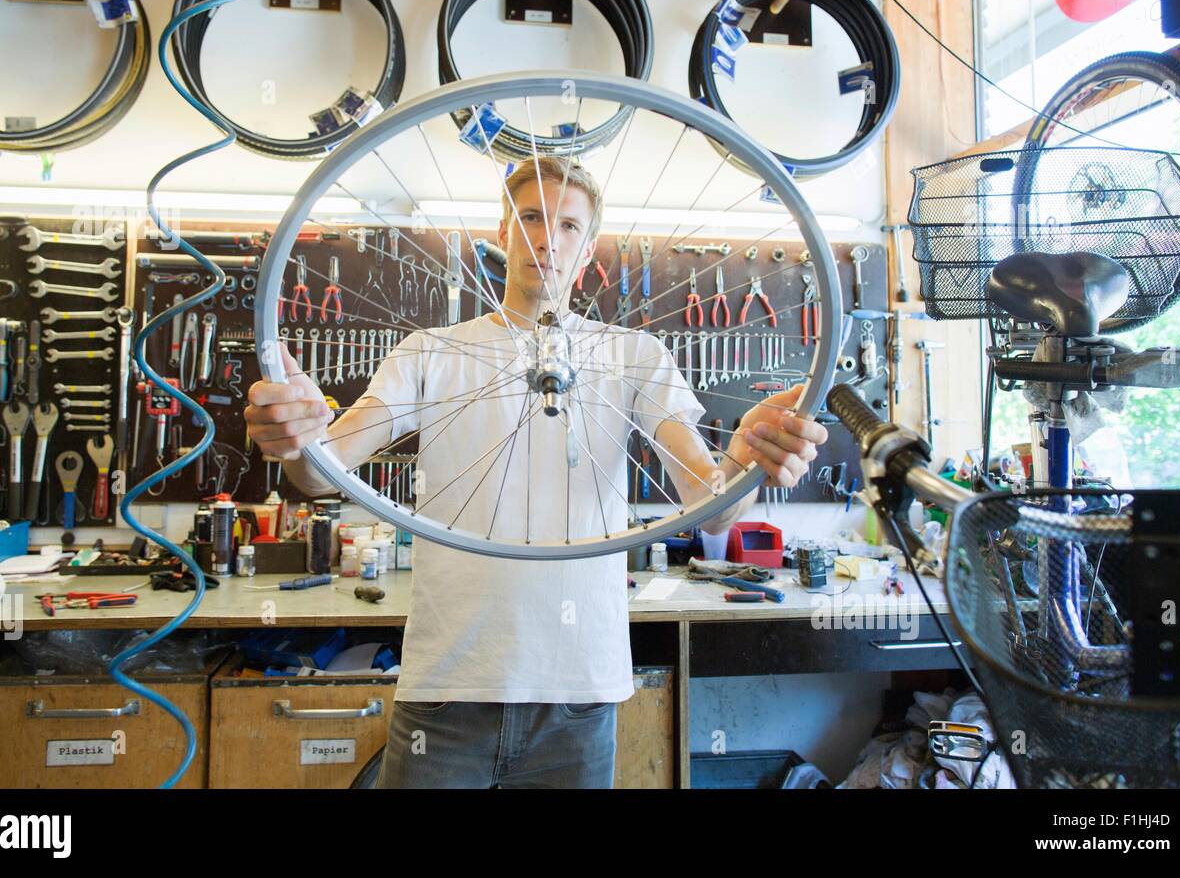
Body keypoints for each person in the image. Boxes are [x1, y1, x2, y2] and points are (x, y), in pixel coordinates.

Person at [245, 157, 828, 788]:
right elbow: (324, 474)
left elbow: (707, 503)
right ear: (502, 231)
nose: (547, 238)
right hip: (447, 686)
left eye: (569, 226)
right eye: (529, 218)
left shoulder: (634, 355)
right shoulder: (429, 353)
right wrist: (298, 440)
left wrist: (744, 458)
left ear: (588, 248)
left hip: (577, 693)